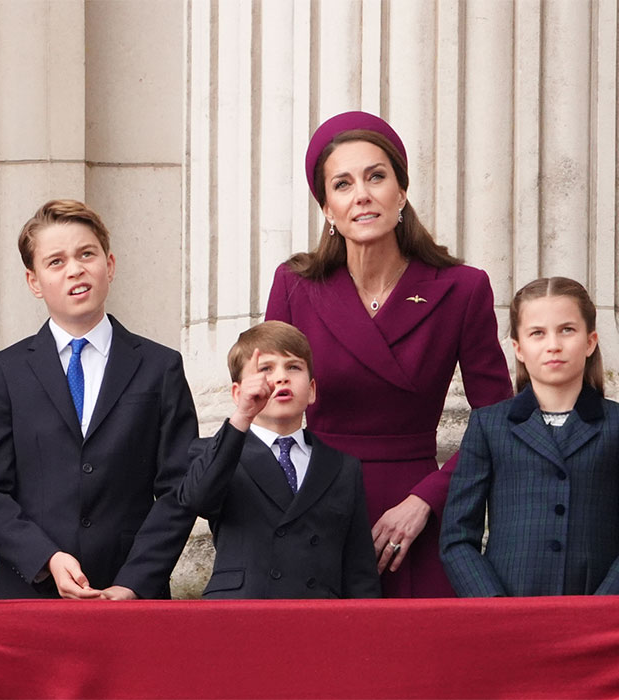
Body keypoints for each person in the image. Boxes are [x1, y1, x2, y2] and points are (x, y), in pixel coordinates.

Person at [265, 111, 513, 597]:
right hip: (316, 507)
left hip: (415, 514)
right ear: (327, 208)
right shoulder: (295, 285)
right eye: (342, 184)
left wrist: (429, 499)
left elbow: (498, 422)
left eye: (376, 176)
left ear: (400, 191)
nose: (362, 194)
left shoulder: (462, 289)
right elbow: (270, 411)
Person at [0, 199, 197, 600]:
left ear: (109, 264)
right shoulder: (7, 371)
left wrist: (134, 581)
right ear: (34, 281)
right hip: (30, 591)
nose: (75, 269)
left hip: (129, 592)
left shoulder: (161, 367)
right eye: (55, 261)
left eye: (86, 254)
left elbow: (179, 491)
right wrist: (46, 558)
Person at [441, 277, 619, 596]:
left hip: (601, 617)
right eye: (538, 333)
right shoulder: (490, 425)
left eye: (567, 330)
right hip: (509, 614)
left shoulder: (616, 425)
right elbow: (457, 537)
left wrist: (604, 606)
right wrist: (495, 605)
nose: (553, 344)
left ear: (590, 341)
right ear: (519, 348)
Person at [178, 321, 380, 599]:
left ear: (311, 390)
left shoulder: (343, 467)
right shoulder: (216, 452)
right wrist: (242, 417)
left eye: (293, 367)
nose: (281, 377)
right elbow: (196, 499)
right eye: (265, 369)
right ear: (238, 393)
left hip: (319, 617)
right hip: (240, 614)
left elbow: (359, 569)